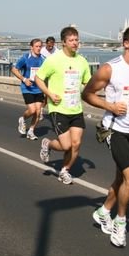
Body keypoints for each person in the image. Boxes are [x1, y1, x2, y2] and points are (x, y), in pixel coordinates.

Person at [82, 25, 129, 248]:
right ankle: (120, 221)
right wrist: (110, 106)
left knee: (122, 179)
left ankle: (103, 211)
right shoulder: (110, 69)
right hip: (114, 130)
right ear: (126, 43)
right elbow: (86, 94)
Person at [35, 26, 91, 185]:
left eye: (76, 40)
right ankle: (47, 143)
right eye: (71, 40)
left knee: (76, 143)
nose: (75, 43)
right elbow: (38, 79)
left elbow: (87, 82)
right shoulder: (53, 60)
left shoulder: (82, 61)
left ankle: (64, 170)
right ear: (63, 43)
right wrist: (50, 94)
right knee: (66, 145)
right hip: (58, 109)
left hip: (76, 109)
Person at [11, 38, 45, 140]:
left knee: (38, 112)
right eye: (36, 46)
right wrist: (24, 79)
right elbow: (14, 69)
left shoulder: (43, 59)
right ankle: (23, 118)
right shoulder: (25, 58)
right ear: (31, 47)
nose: (38, 48)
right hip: (27, 88)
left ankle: (31, 131)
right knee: (32, 110)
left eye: (40, 46)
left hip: (38, 88)